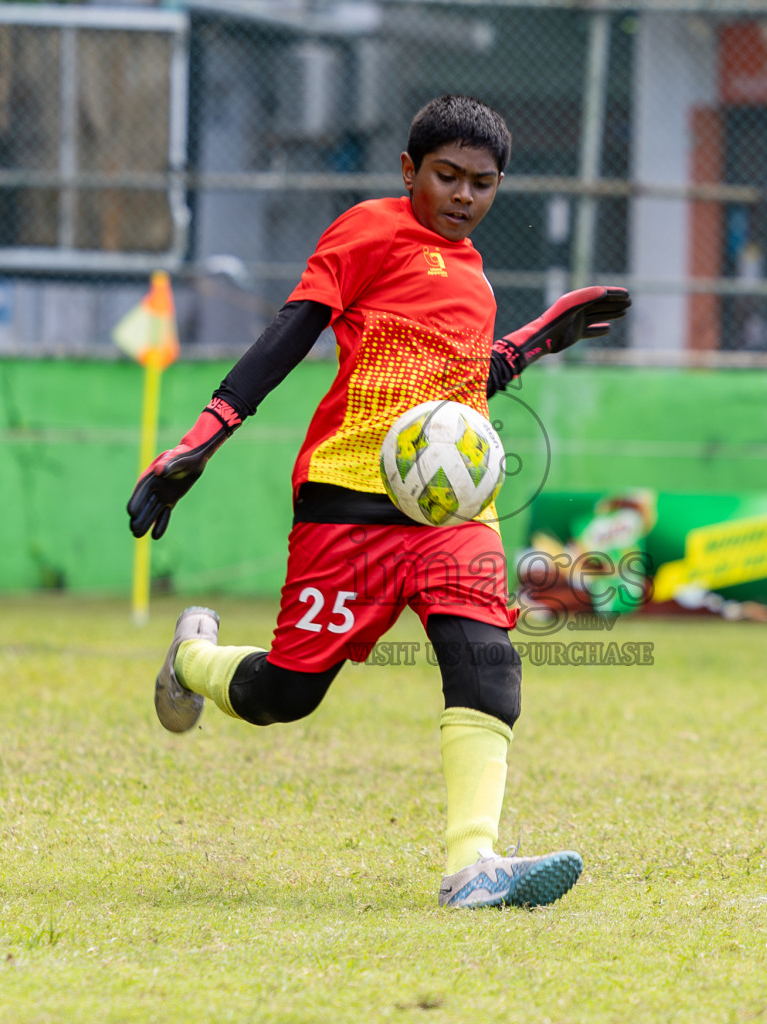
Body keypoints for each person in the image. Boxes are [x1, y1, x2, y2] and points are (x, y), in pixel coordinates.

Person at [125, 95, 630, 909]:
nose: (464, 196)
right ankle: (192, 658)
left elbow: (462, 386)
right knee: (287, 694)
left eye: (483, 183)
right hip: (348, 501)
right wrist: (204, 436)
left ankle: (473, 866)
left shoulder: (475, 281)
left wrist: (540, 336)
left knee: (488, 662)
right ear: (409, 171)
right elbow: (291, 332)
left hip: (453, 515)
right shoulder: (369, 229)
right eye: (447, 176)